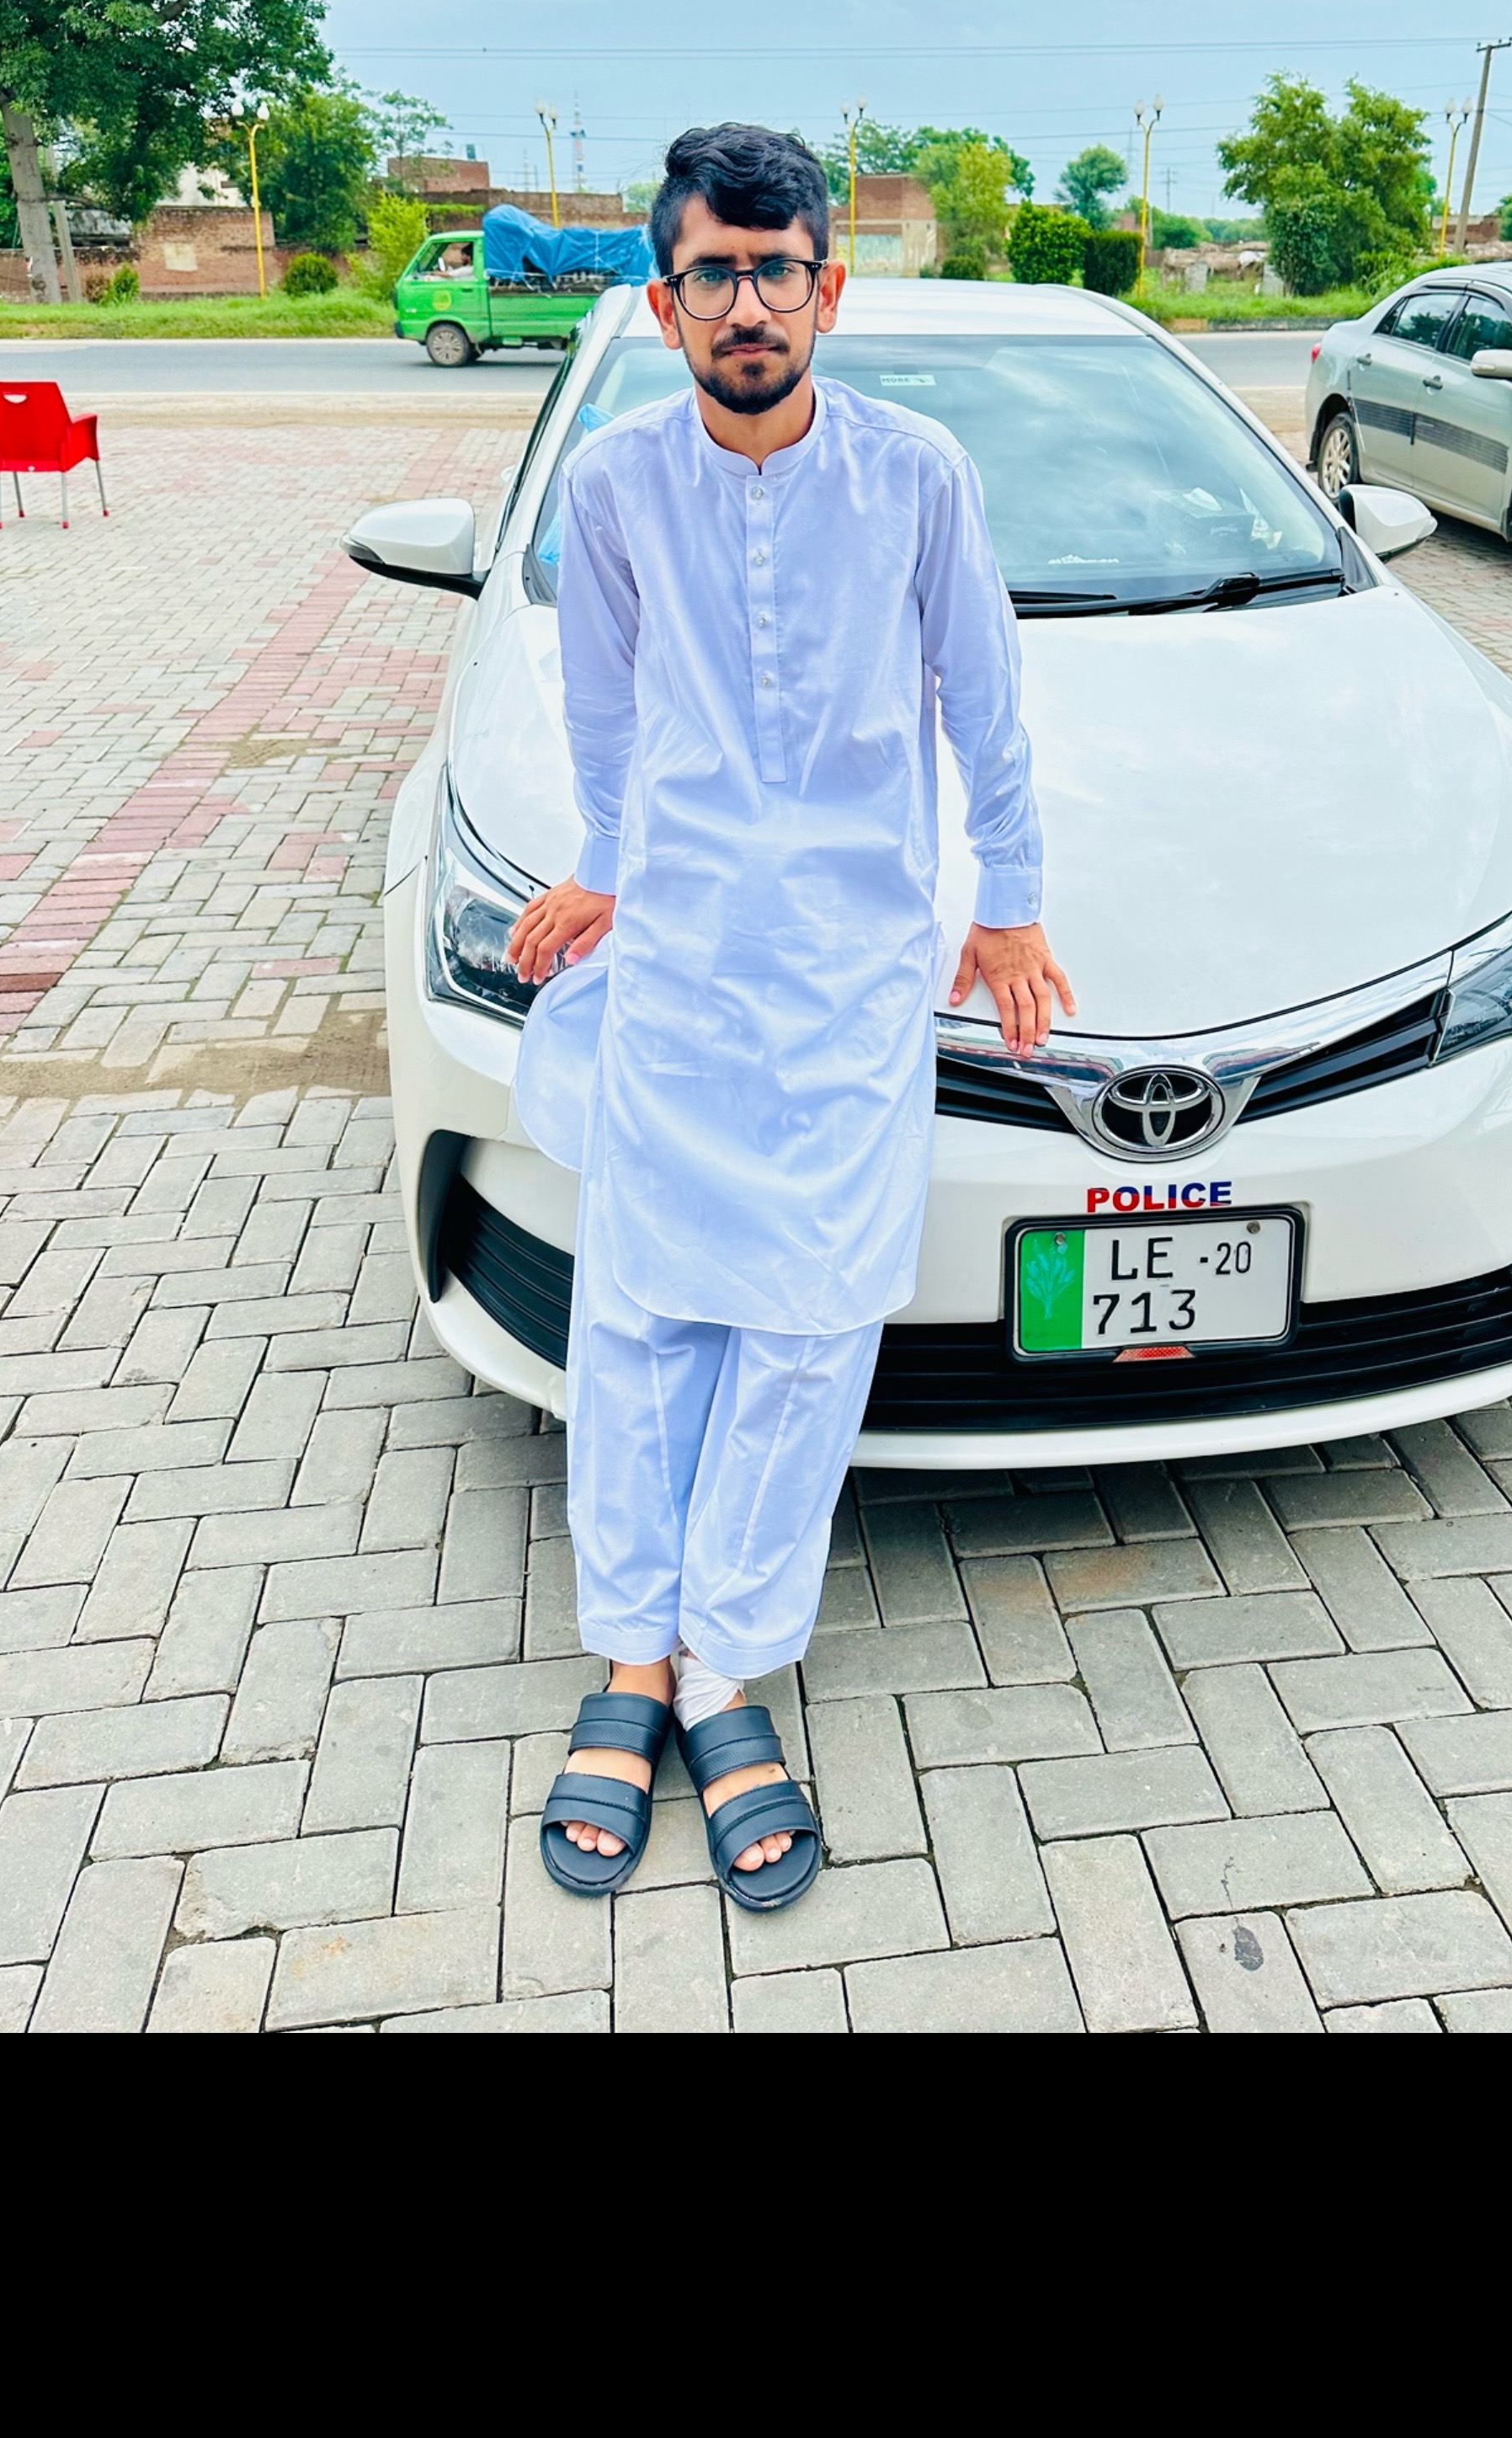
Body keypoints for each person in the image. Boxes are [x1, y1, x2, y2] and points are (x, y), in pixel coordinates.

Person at [509, 122, 1073, 1913]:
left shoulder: (917, 477)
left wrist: (1009, 902)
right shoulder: (614, 487)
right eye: (712, 274)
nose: (746, 303)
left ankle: (728, 1667)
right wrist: (606, 871)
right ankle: (634, 1658)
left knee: (814, 1328)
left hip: (850, 975)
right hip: (678, 966)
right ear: (661, 300)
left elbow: (984, 693)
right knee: (646, 1313)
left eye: (776, 270)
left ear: (830, 288)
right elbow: (604, 713)